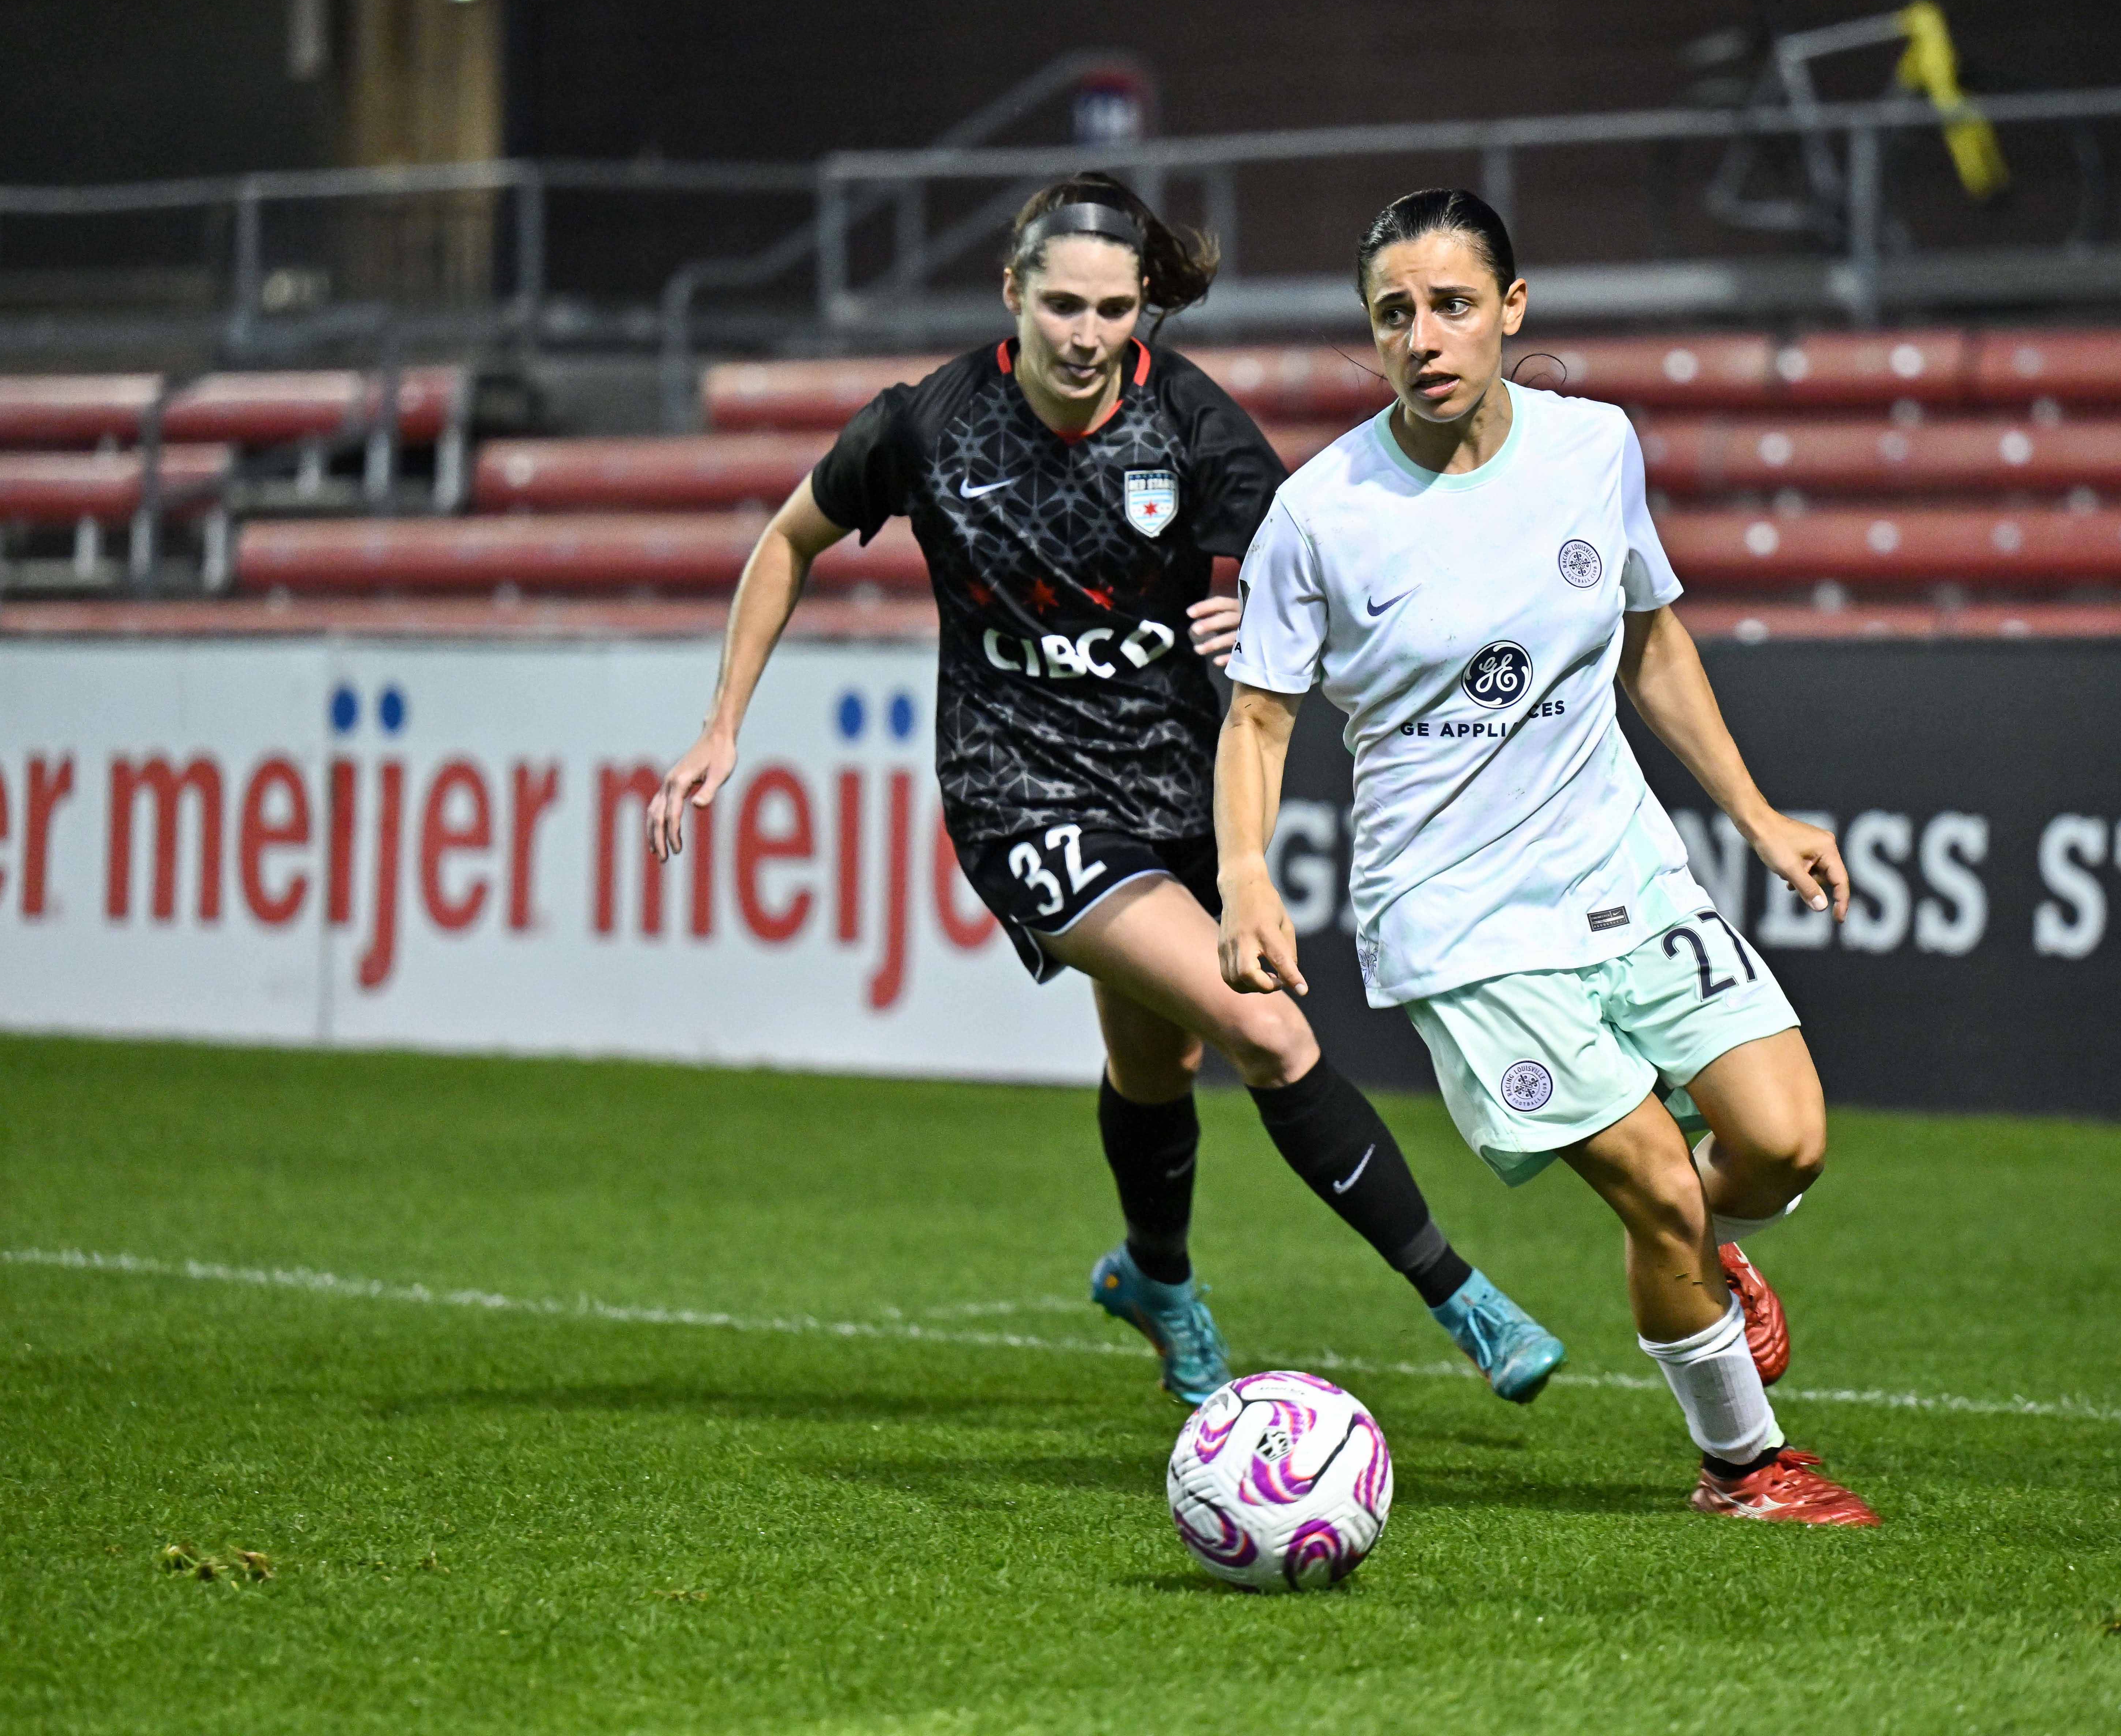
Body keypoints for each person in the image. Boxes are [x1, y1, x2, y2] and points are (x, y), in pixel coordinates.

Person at [645, 173, 1563, 1410]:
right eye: (1063, 305)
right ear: (1012, 293)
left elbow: (1310, 577)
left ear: (1144, 310)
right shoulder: (928, 426)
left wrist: (1263, 606)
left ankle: (1154, 1279)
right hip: (1018, 792)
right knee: (1267, 1028)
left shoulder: (1194, 429)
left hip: (1178, 790)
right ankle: (1462, 1296)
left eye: (1115, 310)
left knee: (1156, 1062)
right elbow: (791, 539)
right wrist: (722, 724)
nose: (1086, 336)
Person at [1214, 187, 1878, 1524]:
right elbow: (1260, 718)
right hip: (1457, 920)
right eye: (1394, 314)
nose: (1425, 337)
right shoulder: (1322, 513)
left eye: (1454, 305)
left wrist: (1756, 815)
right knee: (1652, 1188)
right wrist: (1244, 882)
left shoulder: (1594, 449)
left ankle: (1707, 1256)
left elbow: (1652, 639)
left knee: (1783, 1145)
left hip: (1619, 866)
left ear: (1513, 311)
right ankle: (1744, 1467)